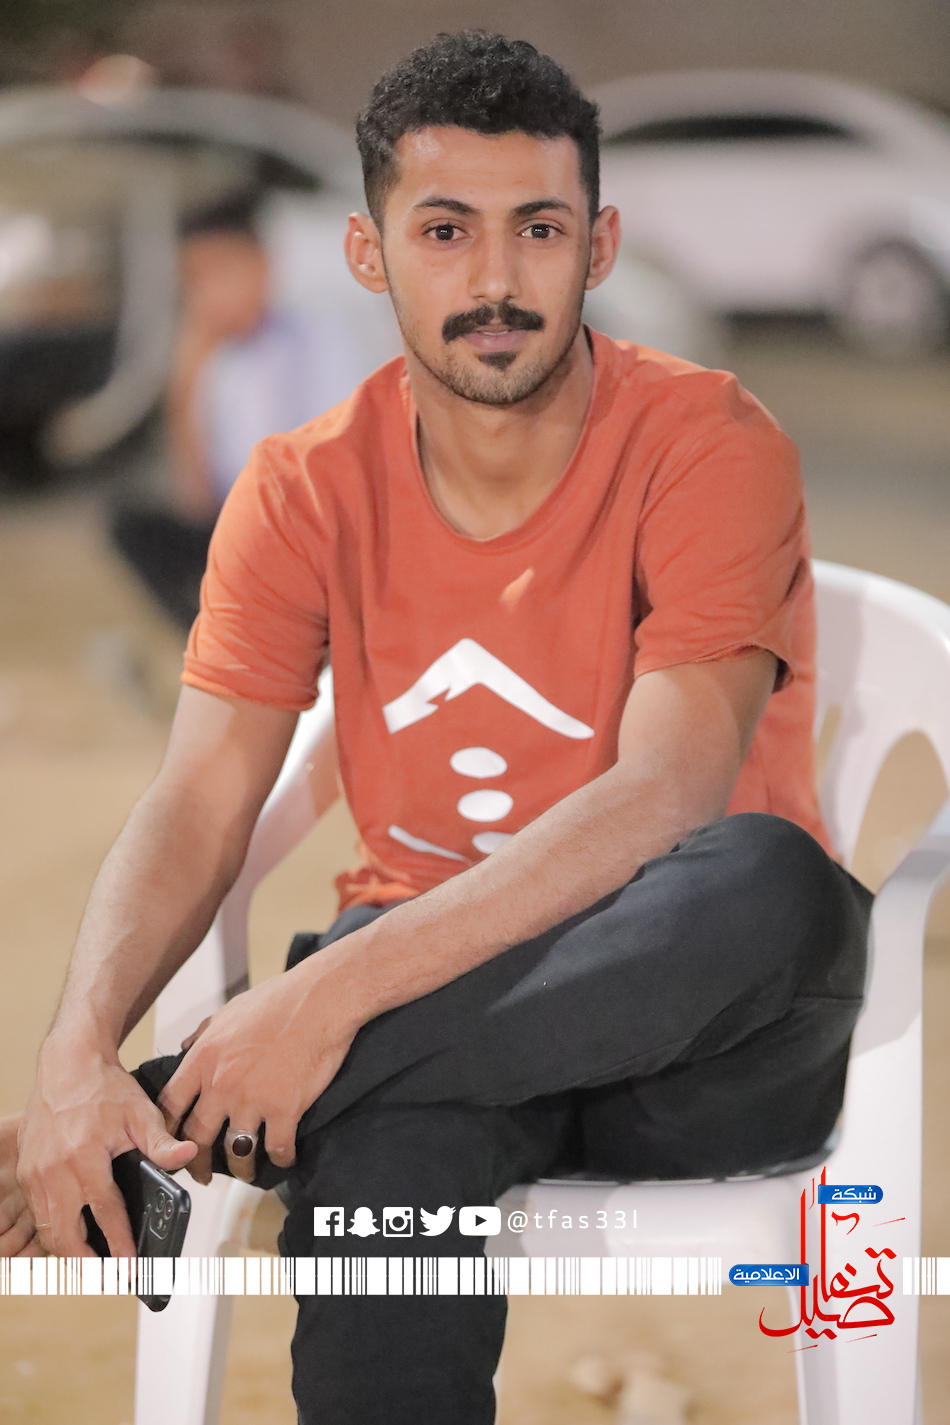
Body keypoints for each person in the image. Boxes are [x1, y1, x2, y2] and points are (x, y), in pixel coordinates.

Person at [3, 31, 871, 1425]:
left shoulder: (707, 441)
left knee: (774, 885)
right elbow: (201, 794)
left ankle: (179, 1113)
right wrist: (70, 1053)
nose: (495, 279)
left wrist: (311, 1005)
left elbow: (665, 791)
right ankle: (247, 1093)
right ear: (369, 251)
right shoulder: (300, 488)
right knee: (380, 1175)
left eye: (540, 229)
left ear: (598, 246)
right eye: (446, 229)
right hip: (414, 1031)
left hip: (691, 1028)